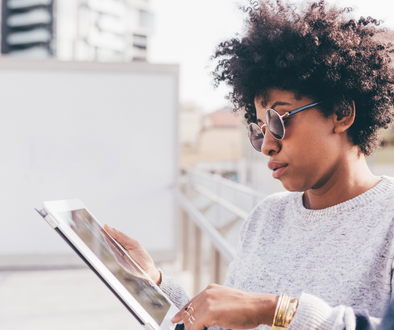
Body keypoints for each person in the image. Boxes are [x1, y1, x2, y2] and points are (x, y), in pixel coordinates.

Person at [105, 0, 394, 329]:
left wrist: (275, 309)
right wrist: (153, 282)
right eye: (259, 130)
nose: (267, 145)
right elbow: (225, 321)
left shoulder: (388, 220)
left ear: (341, 113)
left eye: (278, 120)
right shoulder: (267, 217)